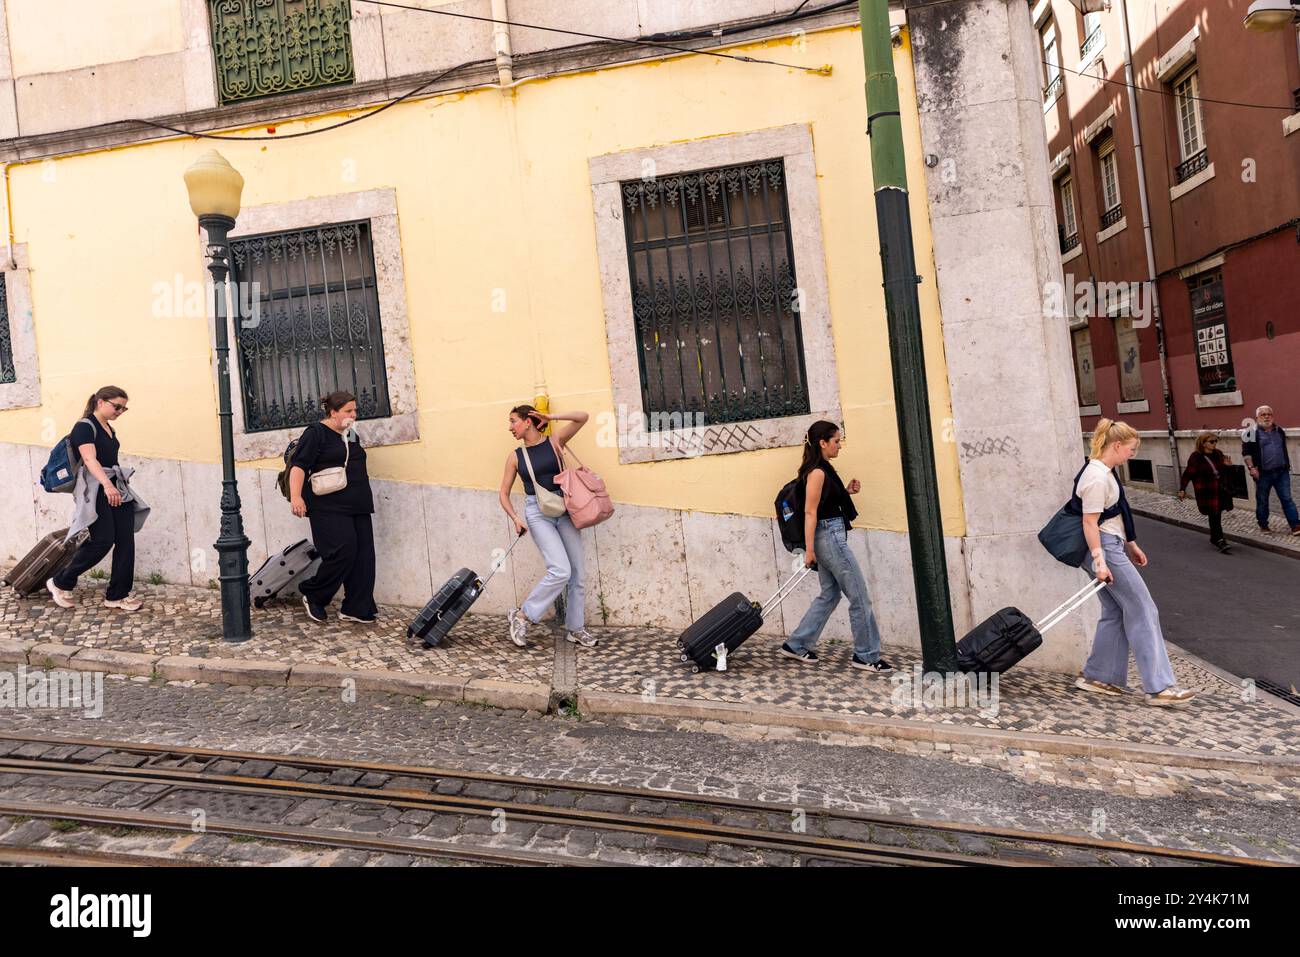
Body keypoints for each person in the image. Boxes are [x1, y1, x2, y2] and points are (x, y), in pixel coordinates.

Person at [1074, 419, 1194, 706]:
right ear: (1116, 445)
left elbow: (1114, 514)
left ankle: (1099, 677)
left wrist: (1132, 544)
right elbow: (1090, 523)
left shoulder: (1104, 472)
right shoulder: (1097, 477)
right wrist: (1100, 563)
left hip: (1112, 546)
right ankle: (1160, 687)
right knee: (1143, 608)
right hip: (1104, 549)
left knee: (1116, 611)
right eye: (1131, 449)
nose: (1133, 454)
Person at [779, 421, 892, 673]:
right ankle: (866, 655)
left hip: (829, 534)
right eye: (836, 441)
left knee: (829, 594)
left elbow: (823, 504)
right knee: (859, 596)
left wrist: (846, 492)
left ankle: (796, 644)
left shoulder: (823, 470)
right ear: (822, 443)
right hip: (828, 537)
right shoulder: (818, 472)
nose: (839, 445)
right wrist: (809, 550)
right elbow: (810, 512)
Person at [498, 405, 595, 649]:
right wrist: (515, 518)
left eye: (513, 421)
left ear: (528, 422)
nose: (510, 427)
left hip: (564, 508)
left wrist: (550, 417)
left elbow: (582, 415)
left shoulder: (554, 441)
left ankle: (576, 628)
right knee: (560, 570)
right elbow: (503, 493)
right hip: (537, 512)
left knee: (578, 574)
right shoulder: (515, 456)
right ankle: (523, 616)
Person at [47, 386, 147, 612]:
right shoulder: (85, 426)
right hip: (98, 487)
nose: (120, 411)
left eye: (124, 408)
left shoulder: (108, 428)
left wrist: (116, 485)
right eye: (116, 406)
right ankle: (60, 581)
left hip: (115, 484)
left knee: (125, 540)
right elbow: (90, 460)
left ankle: (117, 595)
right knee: (103, 540)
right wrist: (107, 485)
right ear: (100, 402)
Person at [288, 391, 378, 624]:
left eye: (355, 410)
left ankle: (356, 607)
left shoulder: (351, 435)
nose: (353, 415)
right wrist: (296, 497)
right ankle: (314, 593)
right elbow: (299, 466)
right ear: (333, 412)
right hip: (327, 505)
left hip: (357, 504)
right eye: (348, 411)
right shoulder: (316, 433)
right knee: (343, 551)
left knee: (363, 557)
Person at [1241, 405, 1299, 535]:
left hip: (1281, 472)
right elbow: (1246, 453)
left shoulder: (1279, 431)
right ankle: (1263, 525)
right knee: (1262, 500)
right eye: (1263, 414)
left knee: (1287, 498)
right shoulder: (1249, 432)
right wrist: (1251, 468)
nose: (1267, 417)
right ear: (1257, 417)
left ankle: (1295, 525)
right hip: (1262, 474)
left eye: (1269, 414)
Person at [1178, 431, 1234, 553]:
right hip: (1206, 492)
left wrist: (1228, 466)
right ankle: (1219, 540)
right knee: (1214, 515)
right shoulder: (1196, 457)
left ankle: (1215, 538)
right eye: (1211, 441)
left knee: (1216, 514)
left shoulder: (1218, 454)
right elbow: (1188, 474)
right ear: (1203, 443)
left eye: (1215, 441)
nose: (1214, 444)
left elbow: (1224, 473)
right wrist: (1182, 488)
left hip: (1219, 490)